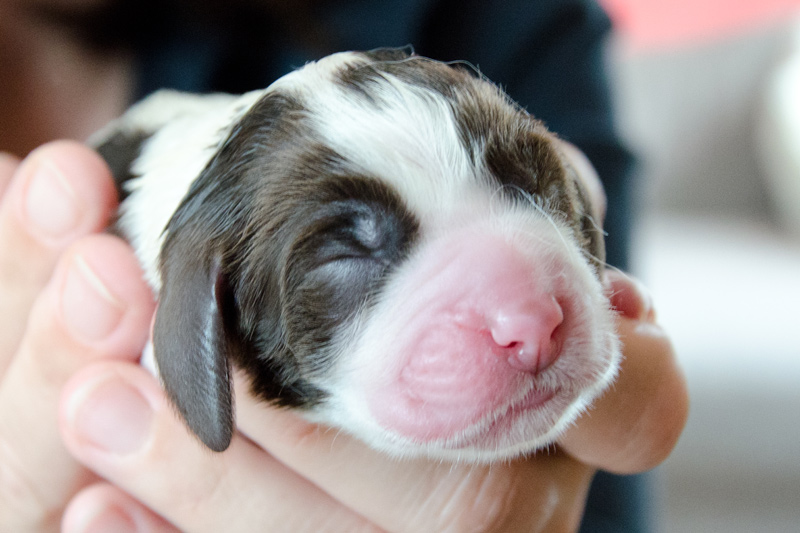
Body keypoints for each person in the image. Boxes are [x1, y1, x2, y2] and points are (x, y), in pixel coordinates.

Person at [0, 0, 689, 531]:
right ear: (198, 324)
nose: (529, 317)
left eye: (529, 187)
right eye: (350, 246)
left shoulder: (503, 21)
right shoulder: (168, 240)